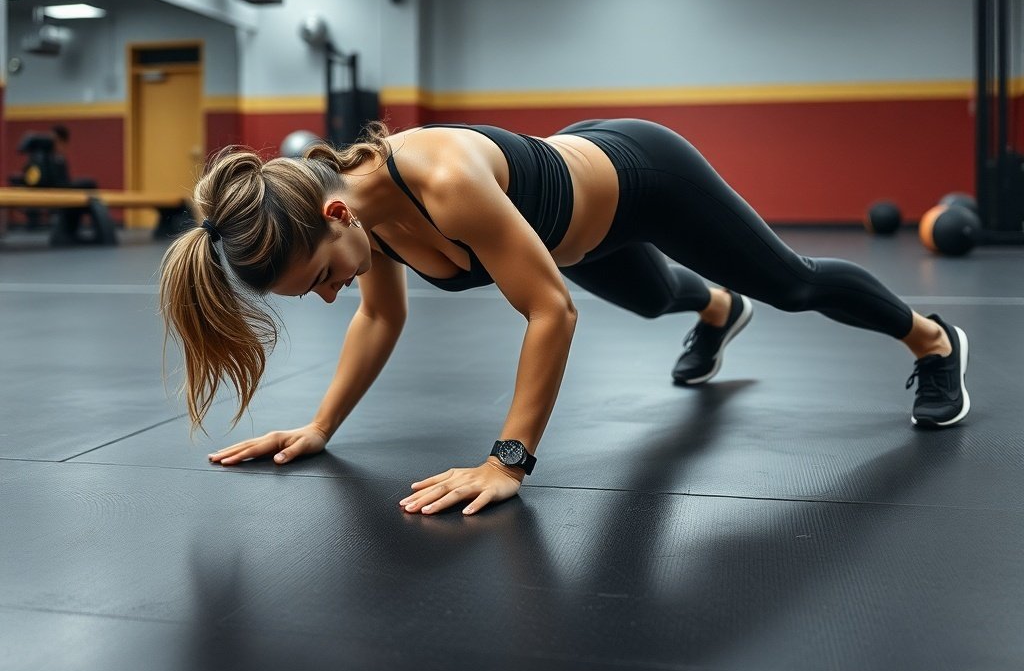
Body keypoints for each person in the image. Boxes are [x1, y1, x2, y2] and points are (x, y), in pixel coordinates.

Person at [159, 119, 970, 517]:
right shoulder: (361, 225)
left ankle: (933, 340)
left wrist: (507, 462)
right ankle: (719, 310)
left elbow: (550, 310)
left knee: (792, 284)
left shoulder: (439, 181)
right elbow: (379, 319)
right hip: (576, 235)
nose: (333, 294)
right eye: (314, 293)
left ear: (335, 214)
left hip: (643, 178)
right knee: (656, 298)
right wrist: (319, 427)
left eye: (321, 278)